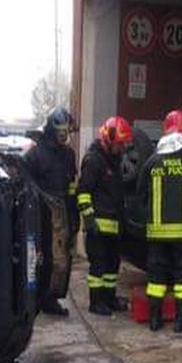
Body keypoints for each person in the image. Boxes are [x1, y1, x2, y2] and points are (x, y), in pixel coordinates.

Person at [138, 109, 182, 333]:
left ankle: (155, 321)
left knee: (156, 278)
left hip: (157, 233)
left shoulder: (151, 163)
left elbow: (141, 196)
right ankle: (181, 321)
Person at [23, 106, 78, 316]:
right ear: (52, 130)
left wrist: (74, 216)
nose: (64, 136)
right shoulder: (35, 155)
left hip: (61, 213)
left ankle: (51, 298)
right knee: (38, 258)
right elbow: (26, 182)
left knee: (60, 260)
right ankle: (36, 298)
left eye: (67, 131)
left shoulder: (68, 155)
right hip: (40, 212)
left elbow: (72, 187)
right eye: (61, 131)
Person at [77, 116, 133, 316]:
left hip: (113, 225)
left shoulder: (114, 160)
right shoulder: (94, 160)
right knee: (98, 266)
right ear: (108, 140)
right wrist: (90, 220)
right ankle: (96, 302)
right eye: (119, 144)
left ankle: (109, 299)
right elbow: (83, 193)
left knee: (112, 265)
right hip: (98, 226)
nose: (122, 148)